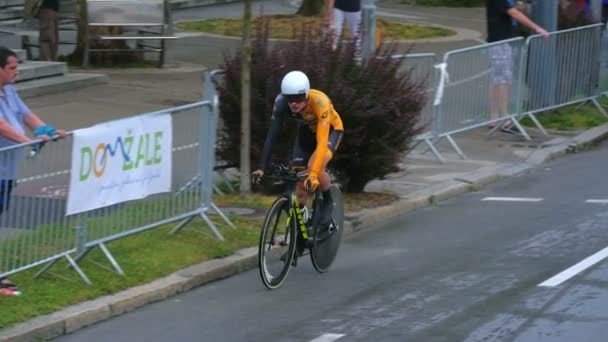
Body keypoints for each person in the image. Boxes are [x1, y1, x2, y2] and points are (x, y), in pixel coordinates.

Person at [0, 46, 66, 296]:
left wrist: (47, 131)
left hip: (6, 172)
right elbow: (3, 127)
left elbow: (27, 116)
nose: (17, 71)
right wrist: (26, 140)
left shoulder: (9, 91)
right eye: (12, 67)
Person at [252, 71, 344, 232]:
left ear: (307, 94)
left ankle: (328, 199)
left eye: (299, 99)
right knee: (299, 178)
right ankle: (299, 234)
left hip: (330, 131)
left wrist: (314, 174)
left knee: (314, 165)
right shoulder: (281, 103)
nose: (294, 103)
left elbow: (322, 143)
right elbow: (271, 137)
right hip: (307, 131)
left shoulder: (320, 101)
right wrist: (261, 167)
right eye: (290, 99)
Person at [486, 0, 549, 132]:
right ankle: (505, 118)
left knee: (498, 79)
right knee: (503, 79)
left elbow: (512, 10)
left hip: (505, 41)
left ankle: (494, 118)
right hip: (500, 42)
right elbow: (513, 12)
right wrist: (536, 28)